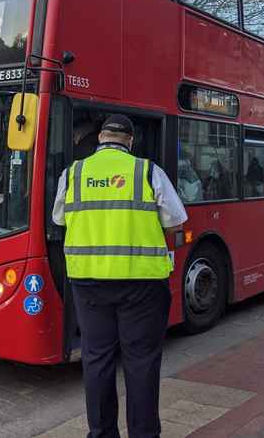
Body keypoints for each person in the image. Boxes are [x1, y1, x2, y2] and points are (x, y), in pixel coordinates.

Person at [52, 114, 187, 438]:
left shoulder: (73, 173)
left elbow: (59, 218)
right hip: (141, 284)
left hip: (88, 284)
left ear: (100, 138)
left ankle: (101, 433)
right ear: (130, 140)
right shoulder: (147, 171)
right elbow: (176, 221)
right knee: (140, 361)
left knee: (96, 359)